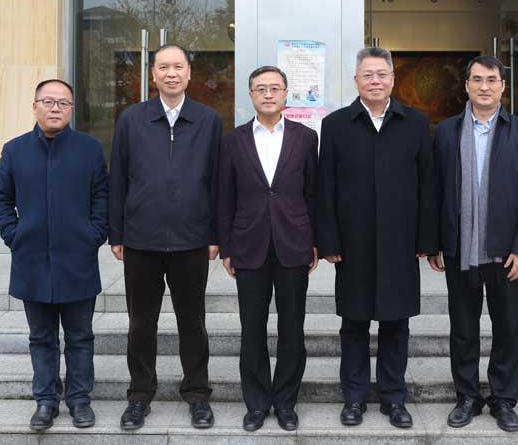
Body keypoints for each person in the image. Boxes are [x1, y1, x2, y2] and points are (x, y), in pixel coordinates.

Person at [318, 47, 436, 429]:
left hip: (400, 243)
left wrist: (427, 240)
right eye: (367, 75)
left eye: (382, 74)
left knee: (396, 324)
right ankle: (353, 398)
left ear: (392, 79)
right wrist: (328, 241)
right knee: (354, 323)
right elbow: (325, 187)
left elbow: (428, 184)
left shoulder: (415, 123)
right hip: (353, 244)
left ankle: (393, 398)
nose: (375, 81)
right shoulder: (335, 125)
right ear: (356, 80)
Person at [109, 44, 222, 430]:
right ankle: (140, 394)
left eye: (178, 66)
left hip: (192, 239)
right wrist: (117, 232)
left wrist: (215, 233)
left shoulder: (208, 120)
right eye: (163, 67)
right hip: (141, 239)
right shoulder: (132, 119)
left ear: (189, 73)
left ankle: (198, 394)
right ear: (152, 74)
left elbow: (216, 181)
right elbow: (118, 177)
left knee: (193, 322)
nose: (171, 73)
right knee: (141, 323)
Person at [429, 56, 518, 432]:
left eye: (491, 80)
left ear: (502, 87)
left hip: (507, 251)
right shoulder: (446, 131)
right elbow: (435, 191)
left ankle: (503, 399)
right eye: (477, 79)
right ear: (466, 85)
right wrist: (435, 242)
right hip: (460, 248)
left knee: (507, 328)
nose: (484, 86)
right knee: (463, 328)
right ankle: (467, 396)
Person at [0, 79, 108, 431]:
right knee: (41, 337)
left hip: (77, 259)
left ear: (71, 109)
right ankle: (45, 400)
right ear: (35, 106)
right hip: (32, 260)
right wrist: (14, 236)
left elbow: (102, 196)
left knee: (80, 337)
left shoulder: (89, 149)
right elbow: (0, 197)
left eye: (63, 103)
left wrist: (94, 234)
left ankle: (79, 400)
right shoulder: (15, 150)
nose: (55, 108)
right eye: (48, 101)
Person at [216, 66, 318, 432]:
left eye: (275, 88)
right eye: (261, 89)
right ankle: (257, 403)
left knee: (292, 328)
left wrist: (314, 241)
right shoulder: (233, 140)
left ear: (286, 93)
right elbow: (224, 197)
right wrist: (227, 246)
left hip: (293, 244)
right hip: (249, 245)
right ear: (251, 95)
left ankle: (286, 402)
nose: (269, 94)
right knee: (252, 328)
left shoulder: (306, 138)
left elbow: (313, 193)